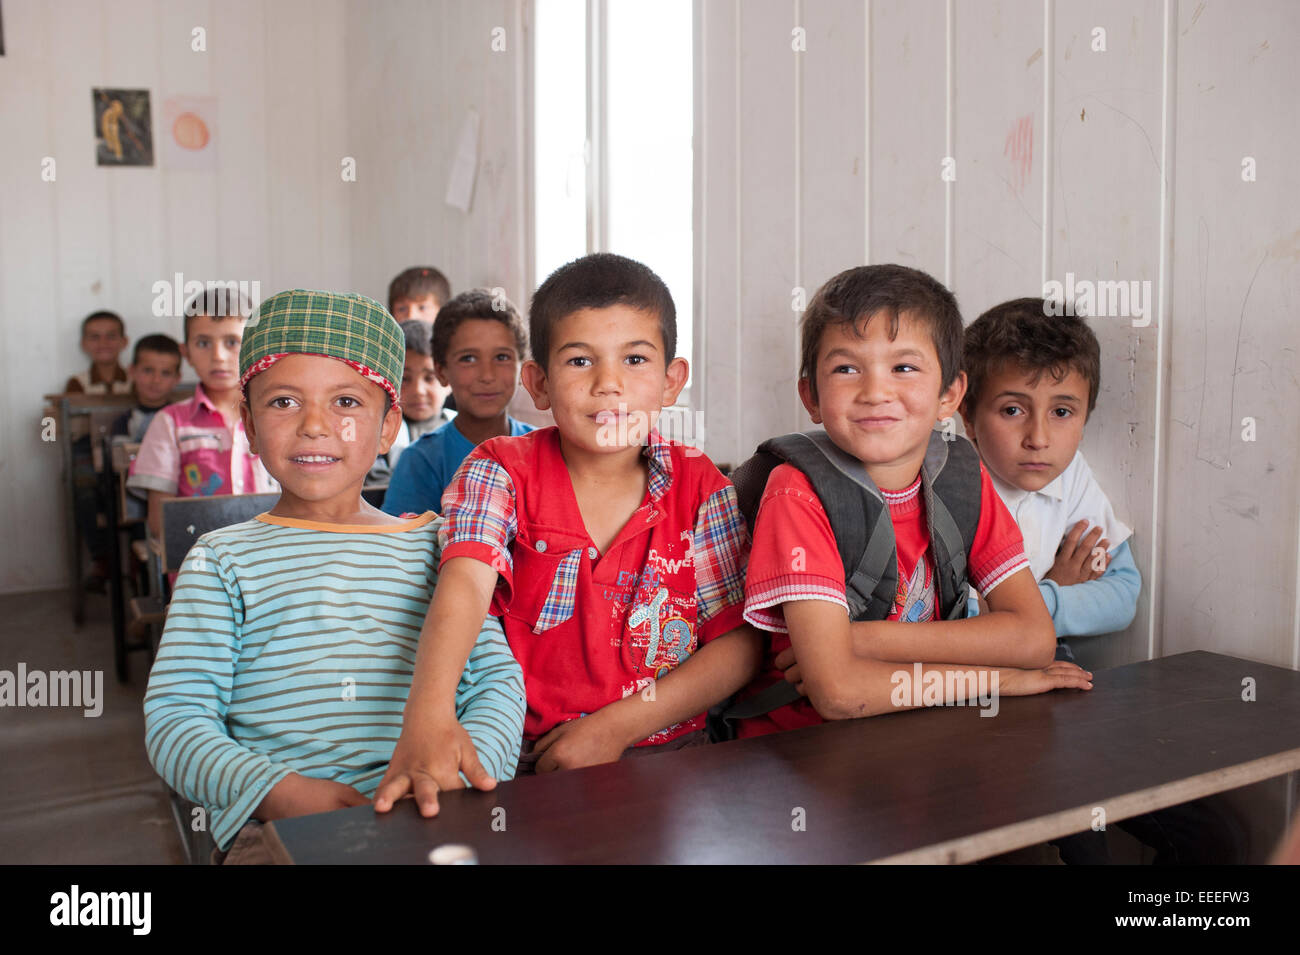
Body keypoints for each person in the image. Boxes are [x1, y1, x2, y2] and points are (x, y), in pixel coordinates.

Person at [143, 289, 525, 863]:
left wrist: (468, 773)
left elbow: (498, 682)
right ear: (247, 423)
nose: (315, 426)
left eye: (347, 401)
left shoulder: (436, 548)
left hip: (433, 814)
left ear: (389, 424)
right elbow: (176, 721)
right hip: (279, 829)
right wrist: (286, 796)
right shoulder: (221, 561)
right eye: (283, 403)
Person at [374, 253, 762, 816]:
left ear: (672, 380)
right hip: (518, 762)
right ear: (539, 383)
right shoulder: (500, 470)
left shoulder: (701, 485)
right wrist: (429, 717)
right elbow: (463, 587)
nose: (609, 386)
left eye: (635, 359)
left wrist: (615, 728)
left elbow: (740, 643)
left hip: (670, 754)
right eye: (580, 361)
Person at [728, 265, 1091, 740]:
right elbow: (839, 693)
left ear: (949, 394)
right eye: (846, 368)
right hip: (803, 748)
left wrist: (862, 641)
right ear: (811, 397)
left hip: (922, 727)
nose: (876, 392)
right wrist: (997, 682)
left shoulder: (962, 477)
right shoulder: (796, 493)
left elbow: (1033, 638)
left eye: (904, 367)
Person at [127, 287, 275, 543]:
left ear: (254, 346)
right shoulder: (170, 423)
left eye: (232, 342)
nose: (218, 356)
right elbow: (160, 525)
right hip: (200, 569)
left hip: (271, 564)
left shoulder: (278, 416)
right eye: (203, 343)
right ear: (186, 354)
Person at [381, 290, 534, 516]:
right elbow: (401, 544)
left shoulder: (547, 449)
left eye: (502, 357)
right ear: (442, 372)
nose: (487, 375)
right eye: (468, 359)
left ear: (521, 367)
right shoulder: (421, 461)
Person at [64, 310, 132, 395]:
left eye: (111, 336)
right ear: (84, 344)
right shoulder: (77, 383)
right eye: (95, 337)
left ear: (124, 341)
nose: (103, 343)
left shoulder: (136, 380)